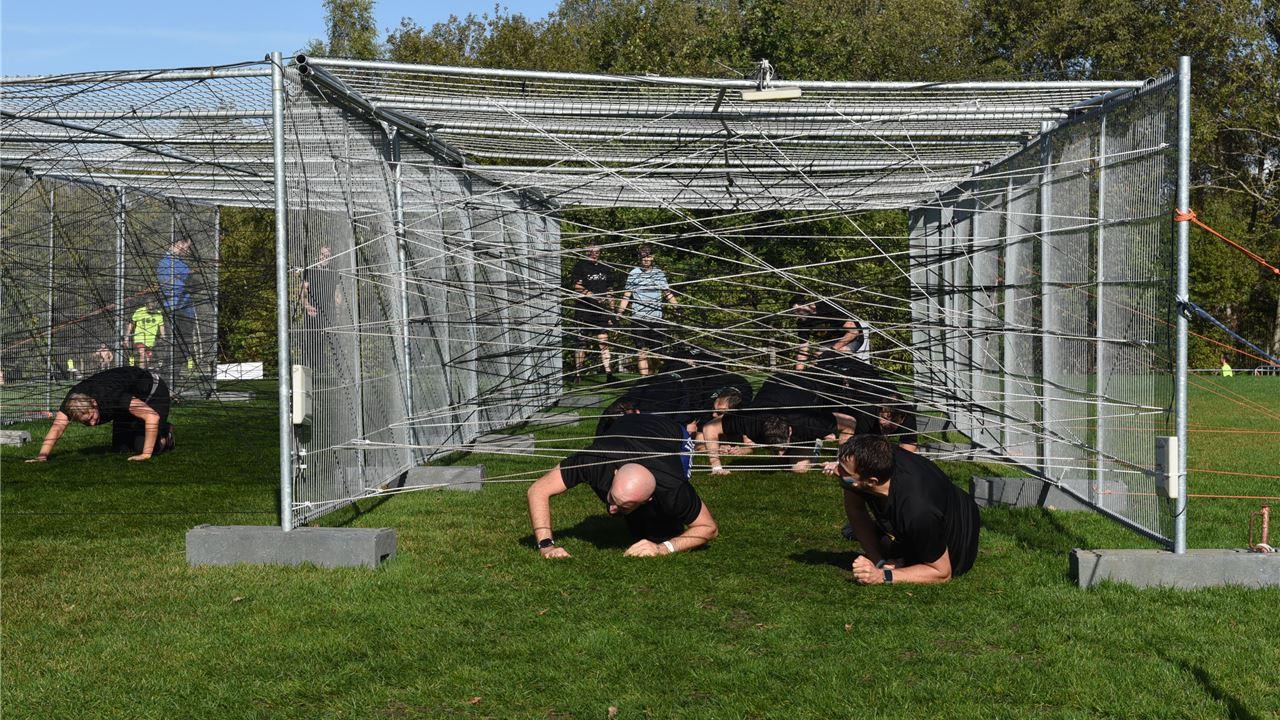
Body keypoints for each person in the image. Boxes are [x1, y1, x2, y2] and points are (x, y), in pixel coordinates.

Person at [526, 413, 718, 558]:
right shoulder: (593, 461)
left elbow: (708, 527)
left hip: (671, 434)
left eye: (623, 505)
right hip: (626, 426)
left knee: (665, 531)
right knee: (637, 529)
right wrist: (546, 546)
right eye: (612, 498)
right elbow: (538, 490)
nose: (611, 509)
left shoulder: (672, 485)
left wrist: (662, 548)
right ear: (615, 473)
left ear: (648, 498)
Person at [827, 434, 980, 585]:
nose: (836, 471)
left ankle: (904, 556)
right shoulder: (878, 458)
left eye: (844, 471)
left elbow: (942, 572)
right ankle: (896, 549)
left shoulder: (917, 510)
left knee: (894, 544)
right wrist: (879, 561)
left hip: (957, 543)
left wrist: (881, 576)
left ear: (872, 481)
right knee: (883, 541)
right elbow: (856, 509)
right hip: (941, 507)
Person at [26, 366, 176, 462]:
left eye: (91, 417)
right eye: (85, 422)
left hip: (153, 392)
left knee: (142, 446)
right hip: (126, 402)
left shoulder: (112, 395)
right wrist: (42, 456)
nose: (92, 424)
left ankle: (166, 434)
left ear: (94, 403)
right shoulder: (73, 401)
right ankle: (137, 426)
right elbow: (57, 428)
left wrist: (146, 454)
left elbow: (152, 416)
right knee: (121, 449)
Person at [617, 244, 678, 377]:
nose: (645, 260)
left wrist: (677, 307)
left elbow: (667, 292)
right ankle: (644, 379)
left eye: (648, 257)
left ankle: (653, 374)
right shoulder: (633, 273)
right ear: (640, 258)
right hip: (639, 317)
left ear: (652, 257)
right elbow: (627, 295)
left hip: (656, 317)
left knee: (657, 353)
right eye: (643, 257)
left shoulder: (659, 273)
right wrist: (620, 312)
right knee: (641, 350)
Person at [567, 245, 617, 384]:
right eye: (591, 252)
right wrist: (592, 296)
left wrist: (612, 311)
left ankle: (609, 373)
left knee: (603, 340)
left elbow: (610, 290)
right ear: (586, 252)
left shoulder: (604, 267)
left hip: (601, 311)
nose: (594, 254)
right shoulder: (580, 266)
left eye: (597, 252)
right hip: (584, 309)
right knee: (582, 341)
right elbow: (577, 286)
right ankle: (578, 374)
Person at [156, 237, 195, 369]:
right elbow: (190, 278)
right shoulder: (169, 263)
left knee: (182, 344)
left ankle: (172, 372)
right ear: (178, 244)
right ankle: (168, 372)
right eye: (187, 247)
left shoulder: (175, 263)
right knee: (176, 344)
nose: (187, 251)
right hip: (176, 308)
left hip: (184, 309)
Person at [300, 244, 344, 327]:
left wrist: (338, 310)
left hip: (329, 312)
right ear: (318, 255)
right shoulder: (310, 269)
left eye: (327, 256)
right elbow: (303, 289)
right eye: (322, 254)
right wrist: (307, 306)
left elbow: (337, 293)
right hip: (313, 311)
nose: (324, 258)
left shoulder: (333, 272)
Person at [125, 299, 165, 369]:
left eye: (152, 308)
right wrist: (127, 336)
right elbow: (131, 323)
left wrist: (163, 335)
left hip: (150, 340)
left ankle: (145, 370)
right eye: (149, 308)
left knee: (147, 357)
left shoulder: (159, 314)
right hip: (139, 337)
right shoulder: (139, 311)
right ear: (146, 305)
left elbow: (161, 325)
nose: (151, 310)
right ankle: (141, 371)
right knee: (142, 353)